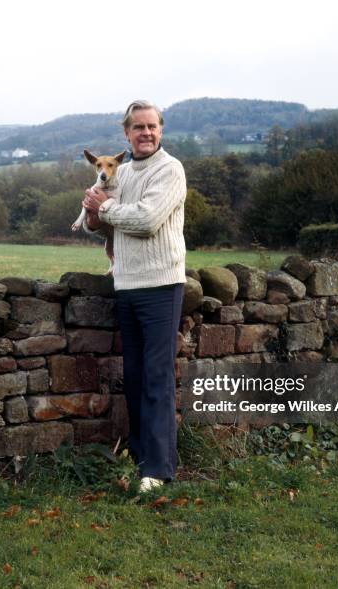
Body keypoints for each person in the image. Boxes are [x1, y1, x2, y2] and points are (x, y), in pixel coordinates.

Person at [82, 100, 187, 492]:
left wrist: (104, 206)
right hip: (126, 285)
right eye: (138, 127)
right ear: (126, 135)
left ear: (161, 131)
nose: (145, 133)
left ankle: (159, 471)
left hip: (161, 285)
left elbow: (145, 220)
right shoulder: (119, 172)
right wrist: (94, 215)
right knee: (134, 376)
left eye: (152, 127)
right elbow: (106, 226)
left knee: (157, 377)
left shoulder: (170, 170)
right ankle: (144, 458)